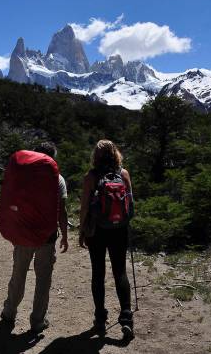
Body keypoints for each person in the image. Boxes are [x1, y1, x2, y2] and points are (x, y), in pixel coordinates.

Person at [0, 142, 69, 333]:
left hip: (22, 233)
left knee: (18, 273)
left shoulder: (23, 175)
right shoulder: (58, 179)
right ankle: (37, 321)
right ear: (52, 158)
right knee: (43, 279)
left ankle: (9, 313)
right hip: (46, 237)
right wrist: (64, 235)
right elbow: (61, 211)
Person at [79, 139, 134, 339]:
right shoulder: (124, 174)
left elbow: (84, 207)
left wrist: (82, 231)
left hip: (97, 230)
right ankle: (126, 318)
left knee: (98, 273)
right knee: (120, 272)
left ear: (96, 156)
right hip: (120, 229)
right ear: (115, 154)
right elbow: (130, 204)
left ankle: (100, 319)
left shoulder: (91, 177)